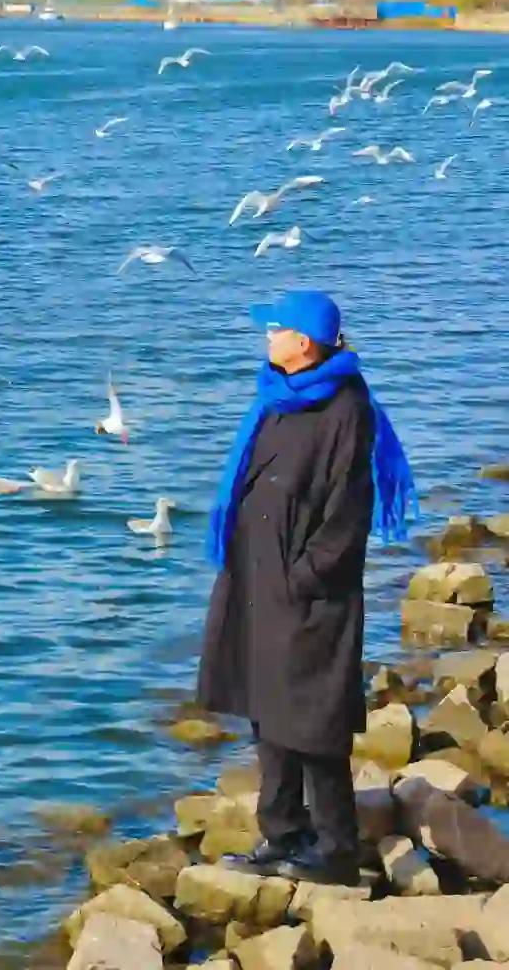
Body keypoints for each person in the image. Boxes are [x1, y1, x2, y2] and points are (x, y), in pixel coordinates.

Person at [196, 290, 416, 886]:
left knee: (314, 721)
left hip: (312, 589)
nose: (267, 338)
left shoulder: (348, 408)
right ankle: (283, 833)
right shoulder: (276, 397)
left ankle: (337, 850)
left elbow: (348, 510)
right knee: (268, 711)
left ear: (305, 342)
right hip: (256, 577)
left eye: (276, 329)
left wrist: (305, 577)